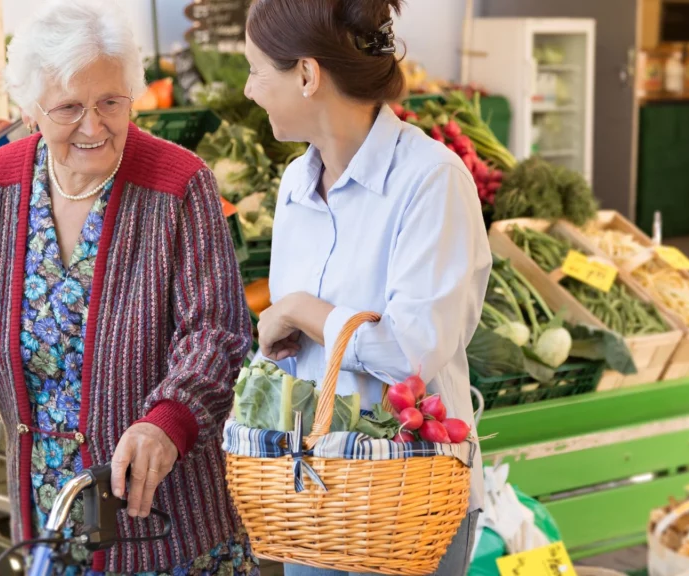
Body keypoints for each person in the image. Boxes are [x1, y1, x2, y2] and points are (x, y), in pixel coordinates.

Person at [0, 1, 257, 574]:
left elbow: (215, 334)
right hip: (49, 524)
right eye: (70, 107)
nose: (94, 126)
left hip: (168, 532)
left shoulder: (179, 186)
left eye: (110, 103)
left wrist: (168, 420)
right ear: (30, 112)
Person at [243, 0, 492, 574]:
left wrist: (305, 311)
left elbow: (410, 353)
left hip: (406, 502)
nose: (251, 91)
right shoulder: (294, 186)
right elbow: (292, 357)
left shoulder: (431, 181)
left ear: (306, 75)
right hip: (316, 498)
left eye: (257, 71)